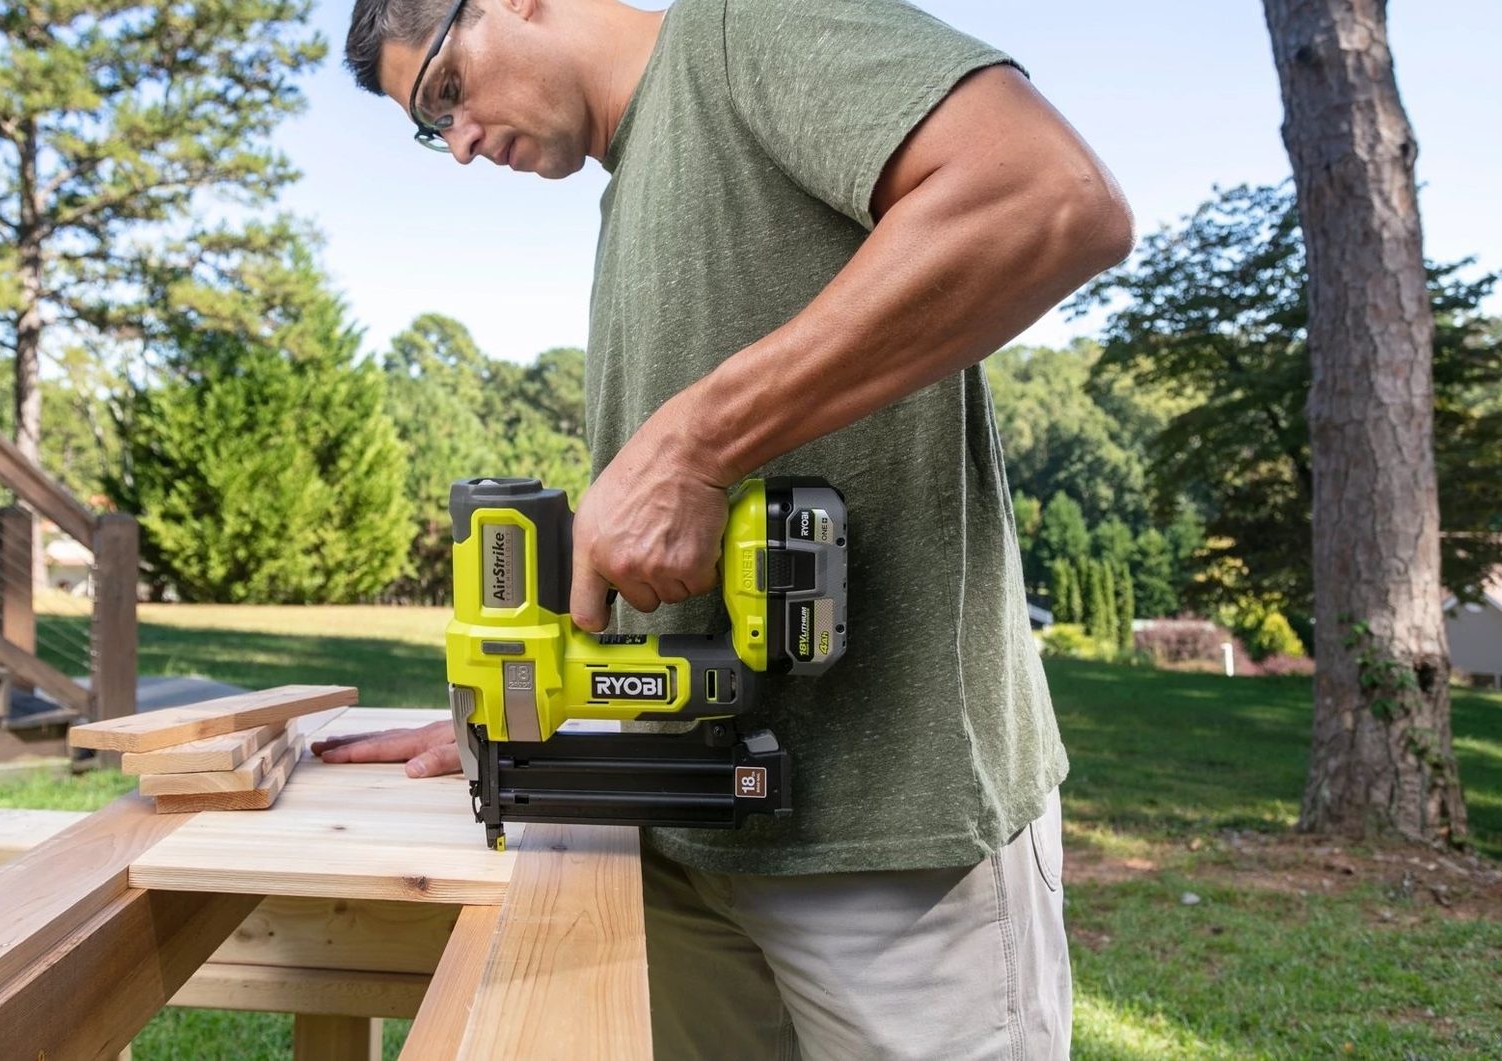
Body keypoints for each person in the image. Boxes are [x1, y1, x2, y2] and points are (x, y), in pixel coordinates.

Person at [317, 0, 1132, 1055]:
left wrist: (694, 444)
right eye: (434, 128)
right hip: (690, 836)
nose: (461, 144)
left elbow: (1051, 199)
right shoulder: (630, 195)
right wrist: (535, 706)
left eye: (446, 90)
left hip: (889, 845)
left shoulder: (745, 27)